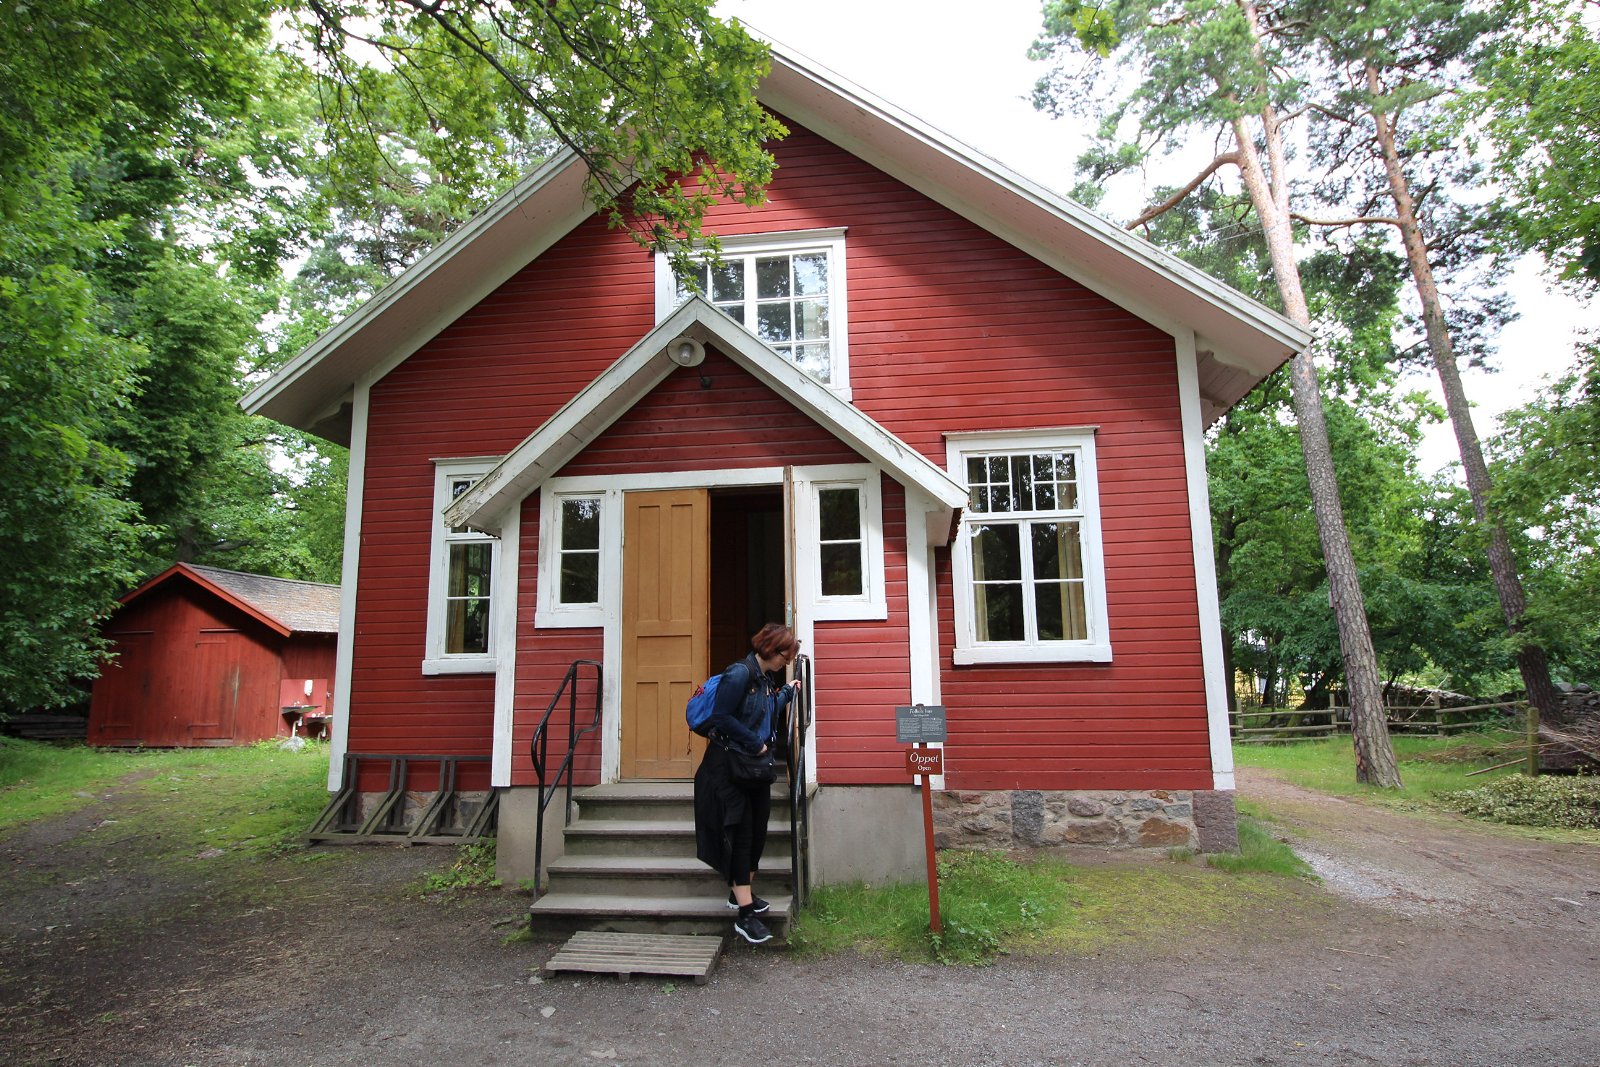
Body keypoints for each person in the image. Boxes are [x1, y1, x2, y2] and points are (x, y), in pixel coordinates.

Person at [693, 622, 802, 944]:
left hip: (753, 769)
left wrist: (786, 692)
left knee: (756, 834)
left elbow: (762, 711)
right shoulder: (738, 674)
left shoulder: (765, 679)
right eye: (786, 654)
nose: (787, 660)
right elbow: (722, 717)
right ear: (771, 650)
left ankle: (741, 895)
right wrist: (755, 744)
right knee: (741, 835)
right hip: (729, 768)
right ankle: (745, 916)